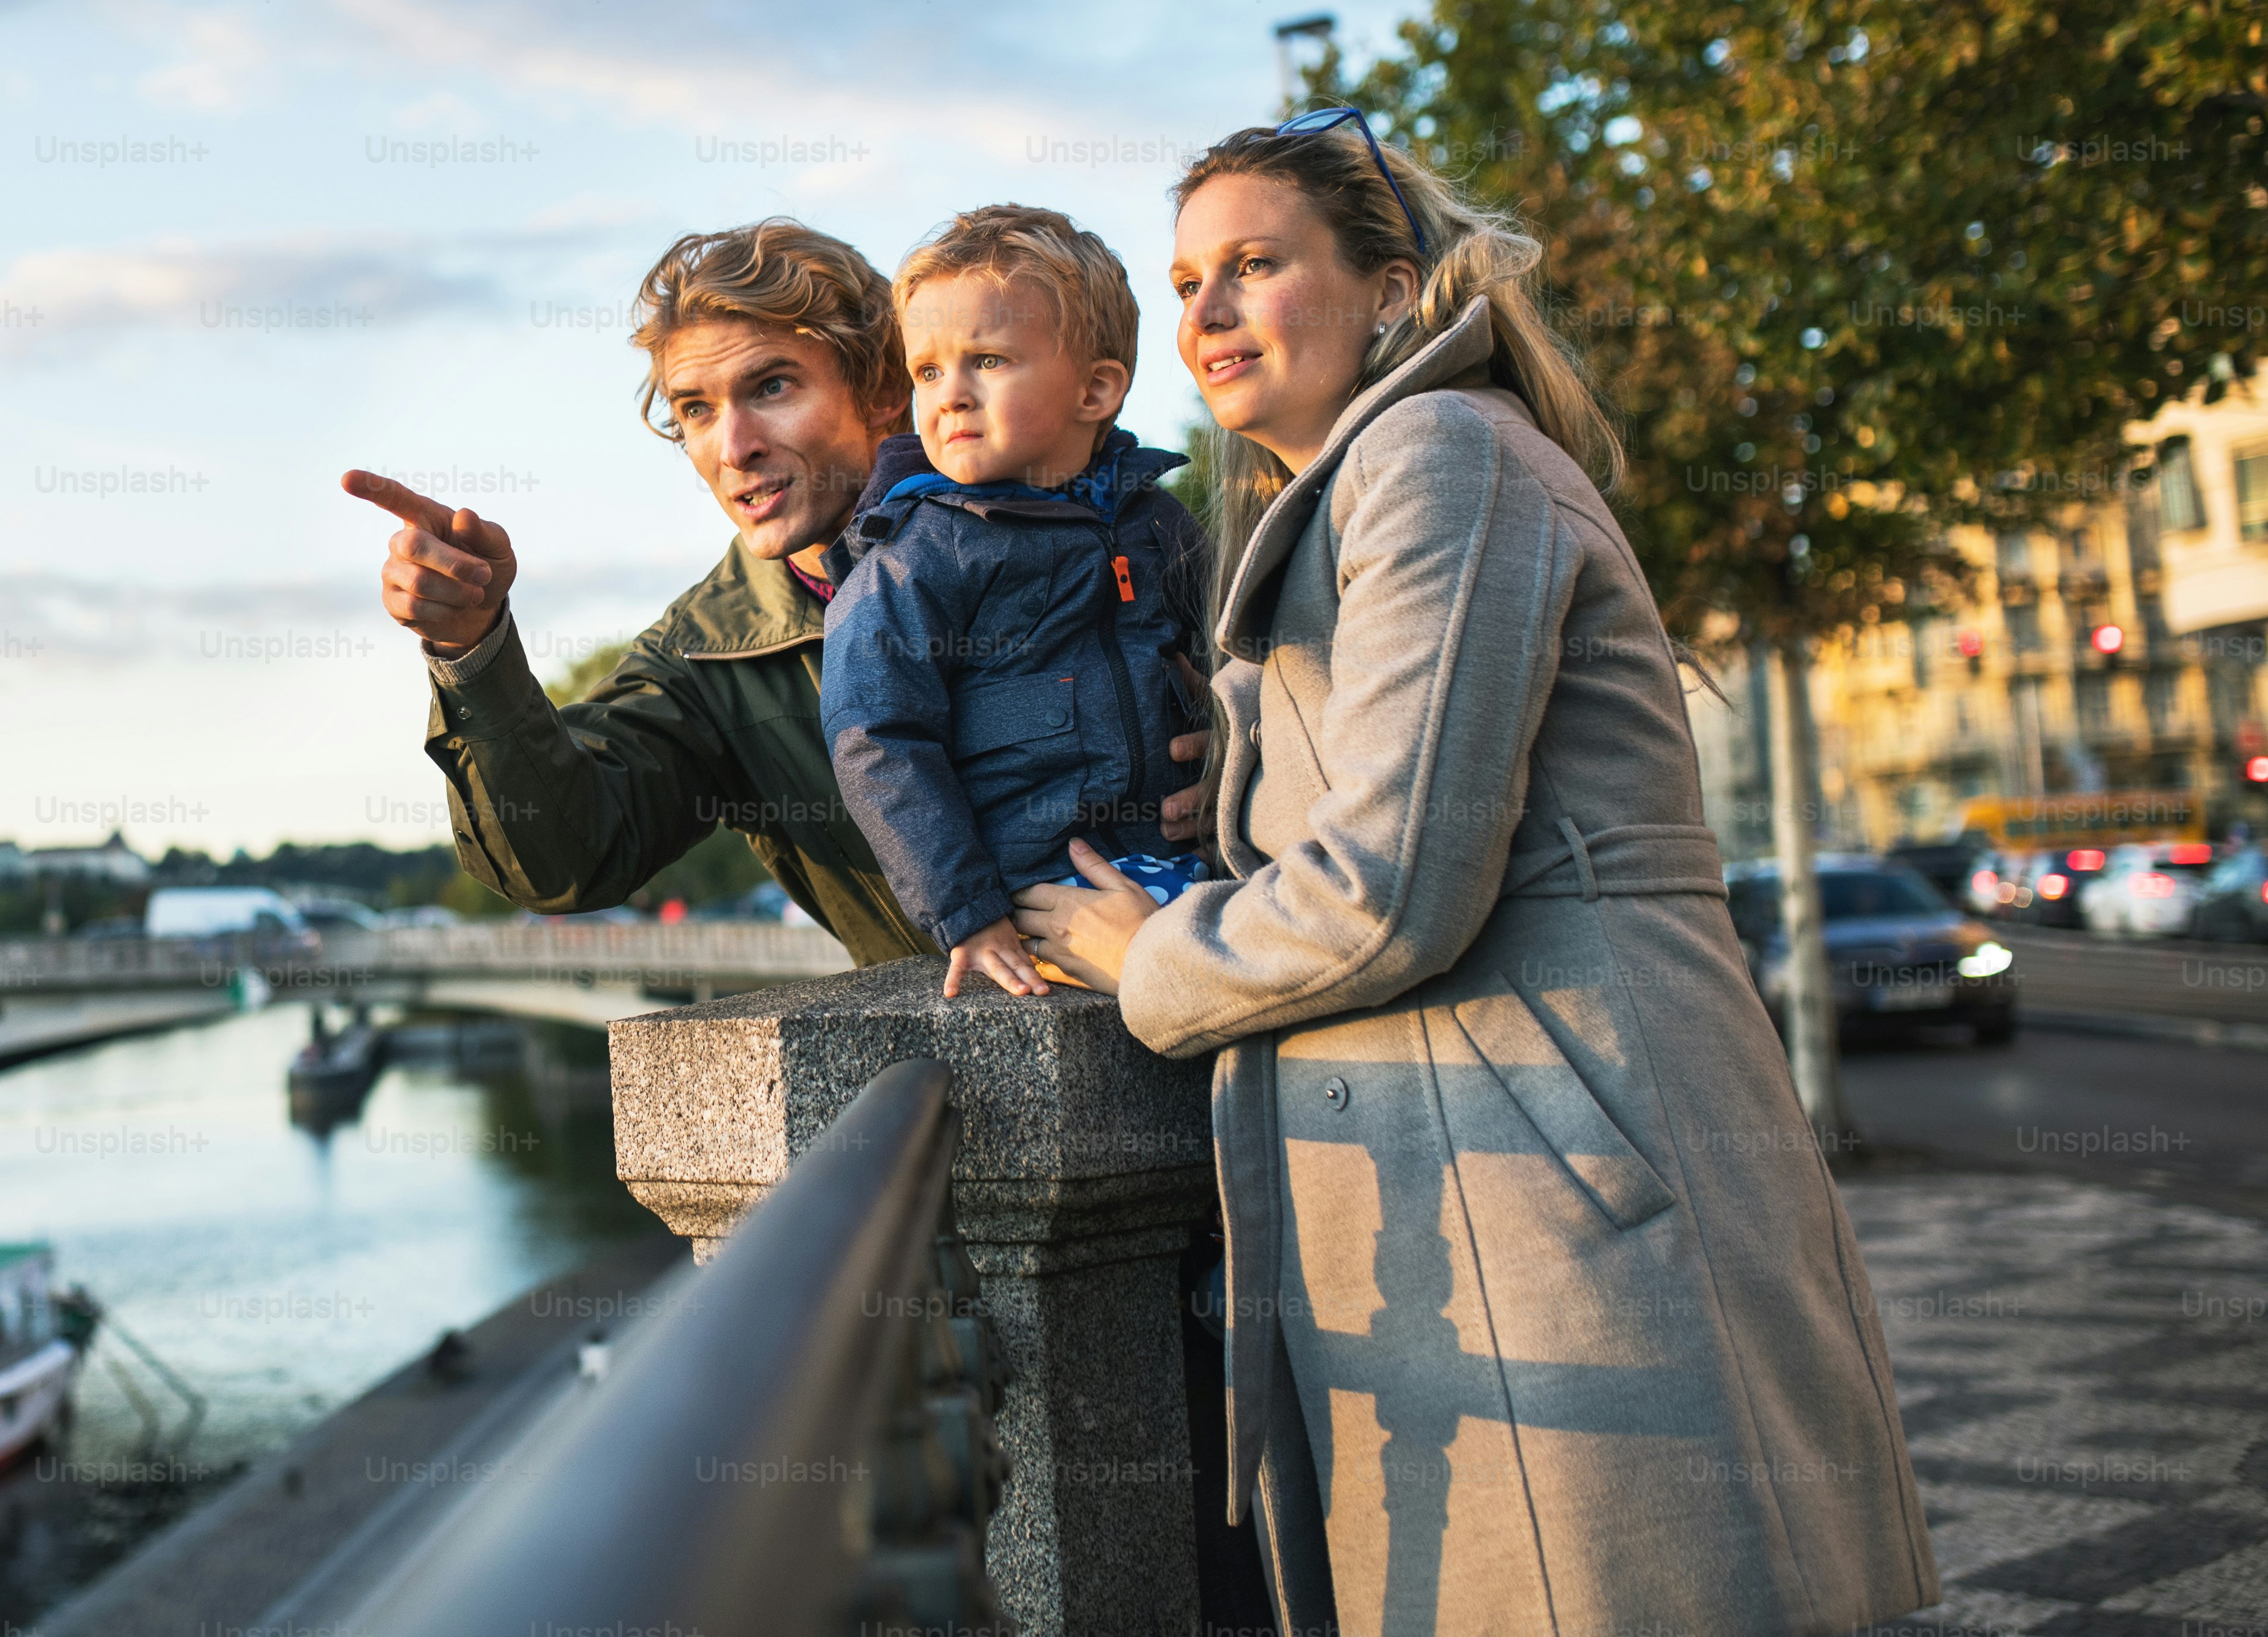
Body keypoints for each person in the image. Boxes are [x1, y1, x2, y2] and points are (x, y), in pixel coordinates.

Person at [1013, 111, 1938, 1636]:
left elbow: (1390, 883)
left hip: (1561, 1176)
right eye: (1186, 284)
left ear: (1390, 289)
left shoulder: (1436, 452)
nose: (1207, 314)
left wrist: (1150, 957)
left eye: (1256, 264)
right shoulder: (1365, 490)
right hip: (1500, 1171)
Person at [344, 218, 1213, 962]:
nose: (735, 446)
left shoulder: (1134, 517)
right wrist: (473, 650)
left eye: (771, 388)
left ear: (880, 389)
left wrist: (1250, 775)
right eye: (694, 409)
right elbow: (562, 857)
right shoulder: (711, 658)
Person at [821, 205, 1211, 999]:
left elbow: (1248, 668)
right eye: (927, 371)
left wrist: (1235, 767)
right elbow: (877, 737)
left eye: (988, 361)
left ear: (1097, 389)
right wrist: (968, 912)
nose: (949, 396)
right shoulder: (917, 554)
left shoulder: (1159, 524)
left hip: (1190, 871)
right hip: (1036, 902)